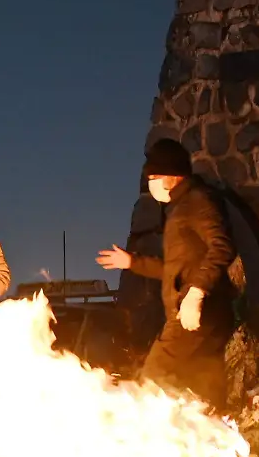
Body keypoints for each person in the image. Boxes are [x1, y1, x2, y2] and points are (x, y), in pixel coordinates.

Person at [97, 139, 236, 405]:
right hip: (194, 314)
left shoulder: (198, 201)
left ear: (171, 176)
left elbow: (222, 247)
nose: (152, 184)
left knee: (154, 377)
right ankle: (209, 440)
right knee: (202, 388)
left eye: (154, 177)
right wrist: (132, 262)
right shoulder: (179, 208)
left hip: (197, 314)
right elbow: (173, 269)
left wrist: (196, 293)